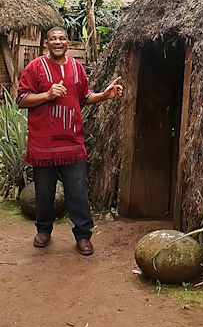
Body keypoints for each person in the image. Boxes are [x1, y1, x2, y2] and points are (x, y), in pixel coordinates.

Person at [16, 27, 123, 256]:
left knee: (77, 191)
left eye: (61, 39)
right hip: (43, 144)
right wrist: (47, 95)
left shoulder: (77, 68)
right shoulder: (35, 67)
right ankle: (43, 230)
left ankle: (83, 235)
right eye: (53, 39)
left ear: (67, 43)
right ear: (46, 44)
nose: (57, 42)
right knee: (44, 192)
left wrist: (104, 96)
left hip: (72, 143)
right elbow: (22, 99)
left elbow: (85, 97)